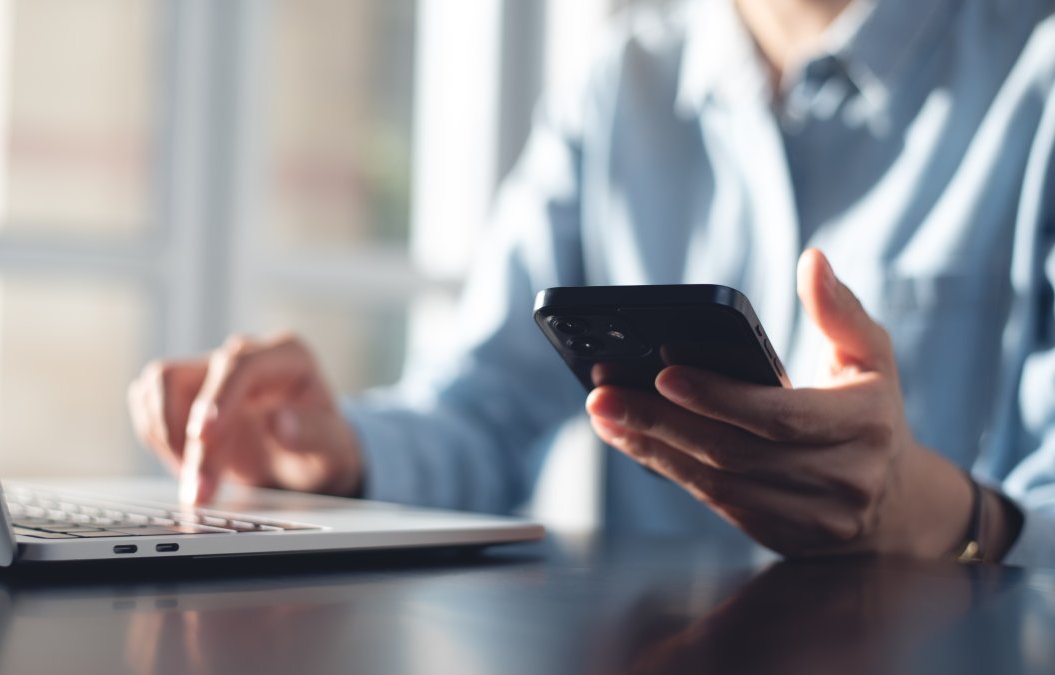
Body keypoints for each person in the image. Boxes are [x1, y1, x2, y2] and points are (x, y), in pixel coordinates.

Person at [128, 0, 1055, 565]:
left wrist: (943, 517)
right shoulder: (620, 87)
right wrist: (332, 452)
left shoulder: (1037, 75)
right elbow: (482, 412)